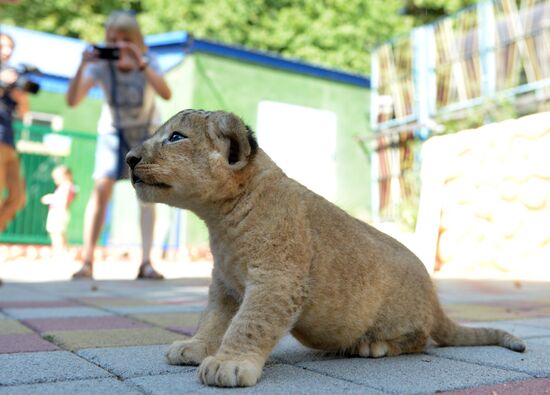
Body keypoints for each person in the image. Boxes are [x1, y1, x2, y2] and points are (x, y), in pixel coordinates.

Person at [66, 11, 171, 279]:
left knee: (147, 196)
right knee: (101, 190)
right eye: (114, 39)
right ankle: (87, 261)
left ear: (136, 40)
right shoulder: (101, 65)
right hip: (112, 132)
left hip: (146, 134)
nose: (119, 44)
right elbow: (73, 100)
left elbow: (165, 93)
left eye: (126, 39)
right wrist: (82, 65)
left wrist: (142, 64)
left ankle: (146, 262)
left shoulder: (149, 61)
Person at [0, 32, 27, 233]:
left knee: (18, 197)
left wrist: (20, 94)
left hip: (8, 142)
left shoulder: (12, 76)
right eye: (3, 46)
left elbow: (24, 113)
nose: (7, 51)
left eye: (10, 47)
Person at [41, 165, 76, 256]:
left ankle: (59, 252)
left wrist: (50, 198)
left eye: (57, 177)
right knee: (59, 232)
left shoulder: (67, 186)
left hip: (58, 212)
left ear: (66, 176)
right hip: (59, 212)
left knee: (56, 233)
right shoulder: (66, 187)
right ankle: (64, 251)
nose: (55, 180)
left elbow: (63, 200)